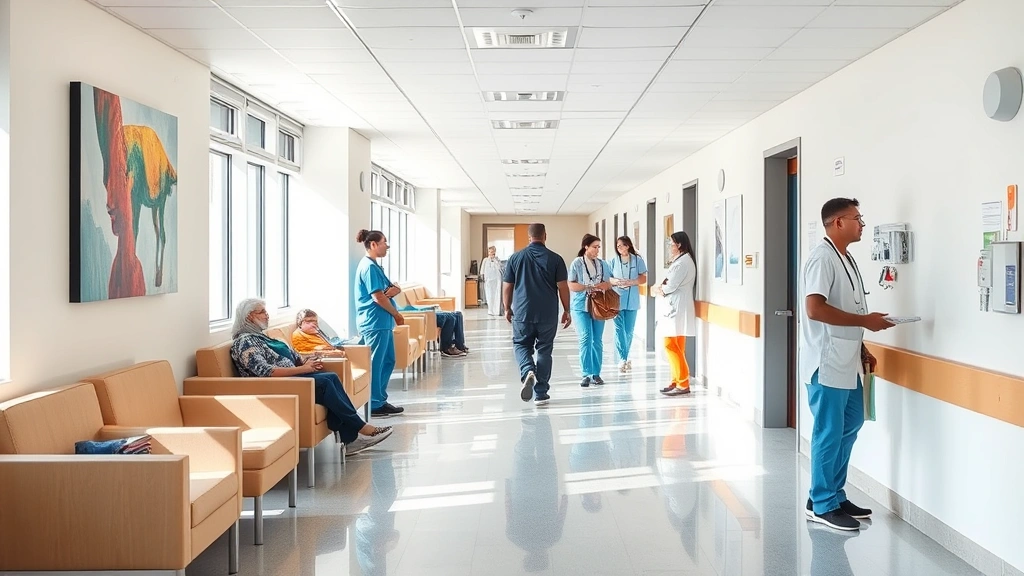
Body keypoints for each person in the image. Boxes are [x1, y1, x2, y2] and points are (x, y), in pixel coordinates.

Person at [801, 198, 894, 531]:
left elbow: (848, 307)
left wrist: (862, 344)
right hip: (825, 364)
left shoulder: (846, 258)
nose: (862, 224)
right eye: (857, 218)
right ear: (838, 222)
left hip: (847, 361)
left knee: (851, 424)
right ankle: (822, 504)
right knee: (828, 433)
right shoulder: (822, 259)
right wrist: (865, 322)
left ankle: (832, 495)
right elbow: (815, 309)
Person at [229, 298, 392, 455]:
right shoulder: (245, 342)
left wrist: (308, 361)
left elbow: (293, 356)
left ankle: (350, 439)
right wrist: (303, 369)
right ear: (249, 316)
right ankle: (360, 429)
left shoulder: (261, 337)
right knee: (326, 383)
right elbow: (266, 371)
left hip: (293, 380)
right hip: (277, 387)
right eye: (262, 312)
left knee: (331, 377)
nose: (267, 315)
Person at [503, 223, 571, 405]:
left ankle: (527, 371)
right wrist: (567, 310)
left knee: (521, 344)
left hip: (523, 312)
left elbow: (507, 286)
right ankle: (540, 394)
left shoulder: (515, 258)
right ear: (545, 236)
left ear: (529, 237)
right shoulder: (556, 259)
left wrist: (506, 308)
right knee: (544, 349)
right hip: (547, 314)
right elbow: (563, 287)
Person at [354, 229, 405, 419]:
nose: (387, 246)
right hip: (375, 321)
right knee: (376, 362)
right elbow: (378, 297)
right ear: (373, 245)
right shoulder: (368, 267)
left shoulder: (374, 266)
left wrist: (392, 291)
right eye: (385, 242)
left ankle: (380, 399)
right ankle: (374, 403)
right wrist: (396, 314)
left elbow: (387, 291)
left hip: (382, 322)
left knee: (388, 360)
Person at [651, 231, 696, 396]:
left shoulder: (682, 263)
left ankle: (683, 383)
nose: (670, 247)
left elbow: (669, 287)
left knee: (670, 345)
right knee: (677, 346)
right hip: (675, 308)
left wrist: (658, 289)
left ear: (679, 245)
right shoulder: (681, 261)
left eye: (671, 244)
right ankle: (676, 380)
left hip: (676, 308)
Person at [567, 234, 612, 388]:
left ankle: (596, 373)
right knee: (586, 338)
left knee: (597, 340)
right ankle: (586, 374)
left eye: (599, 247)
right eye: (594, 246)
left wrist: (605, 285)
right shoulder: (577, 263)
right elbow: (571, 284)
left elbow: (609, 282)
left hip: (599, 305)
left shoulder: (603, 264)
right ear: (586, 247)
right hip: (580, 306)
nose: (597, 250)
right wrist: (588, 287)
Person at [607, 235, 648, 372]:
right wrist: (616, 281)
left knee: (629, 331)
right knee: (619, 329)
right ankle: (623, 358)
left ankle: (624, 357)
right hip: (617, 300)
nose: (620, 248)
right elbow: (608, 278)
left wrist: (632, 282)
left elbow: (643, 278)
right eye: (618, 246)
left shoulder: (638, 260)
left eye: (622, 245)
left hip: (632, 300)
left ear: (628, 245)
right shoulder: (613, 261)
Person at [481, 246, 504, 316]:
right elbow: (482, 269)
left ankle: (497, 311)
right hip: (488, 280)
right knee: (489, 295)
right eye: (490, 252)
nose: (491, 253)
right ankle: (490, 310)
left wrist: (495, 260)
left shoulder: (497, 260)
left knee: (497, 295)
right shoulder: (485, 260)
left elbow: (501, 268)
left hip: (497, 280)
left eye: (493, 252)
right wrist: (482, 276)